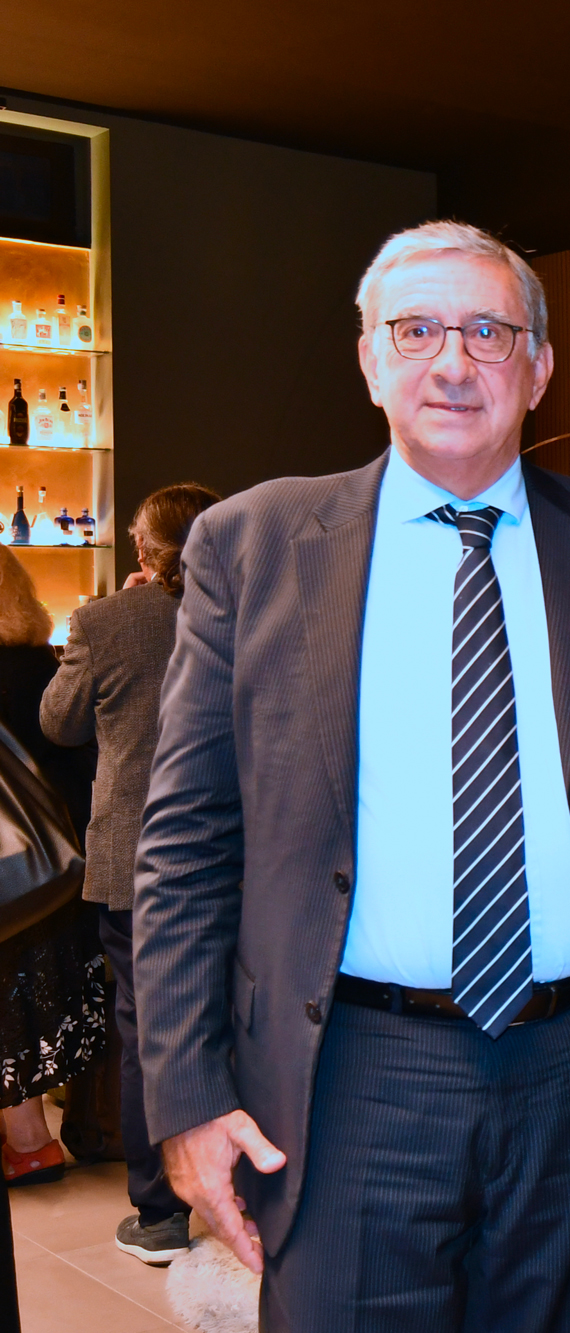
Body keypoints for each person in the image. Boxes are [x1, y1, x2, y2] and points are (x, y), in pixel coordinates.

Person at [132, 220, 570, 1331]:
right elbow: (185, 843)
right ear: (369, 359)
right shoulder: (253, 545)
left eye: (488, 332)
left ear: (538, 368)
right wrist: (187, 1093)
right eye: (416, 330)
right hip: (349, 1077)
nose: (453, 362)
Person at [41, 482, 220, 1262]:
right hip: (236, 854)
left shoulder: (106, 620)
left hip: (135, 856)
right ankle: (254, 1195)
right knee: (239, 1022)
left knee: (150, 1030)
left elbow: (59, 722)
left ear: (143, 549)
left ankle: (160, 1215)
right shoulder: (249, 606)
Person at [0, 544, 102, 1188]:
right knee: (28, 997)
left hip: (10, 871)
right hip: (61, 865)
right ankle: (32, 1141)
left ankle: (29, 1142)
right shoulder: (47, 663)